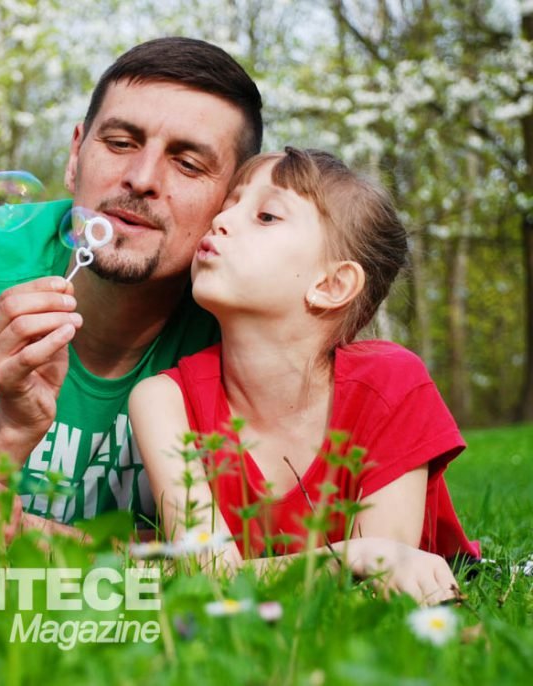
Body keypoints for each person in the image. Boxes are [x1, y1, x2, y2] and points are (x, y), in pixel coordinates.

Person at [0, 37, 264, 541]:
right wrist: (10, 425)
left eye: (188, 163)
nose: (141, 178)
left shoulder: (248, 313)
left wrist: (45, 544)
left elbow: (250, 560)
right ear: (75, 155)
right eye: (120, 143)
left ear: (231, 202)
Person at [129, 147, 479, 604]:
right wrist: (350, 554)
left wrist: (368, 557)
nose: (221, 220)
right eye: (229, 203)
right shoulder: (161, 399)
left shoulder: (391, 384)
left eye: (266, 216)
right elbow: (208, 573)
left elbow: (383, 581)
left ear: (331, 284)